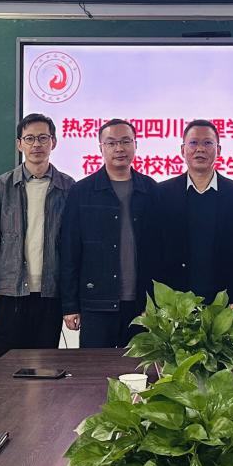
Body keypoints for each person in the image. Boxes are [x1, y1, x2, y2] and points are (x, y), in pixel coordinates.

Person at [0, 113, 75, 363]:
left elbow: (75, 248)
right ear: (19, 144)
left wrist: (73, 300)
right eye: (29, 139)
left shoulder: (69, 188)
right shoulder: (1, 187)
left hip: (50, 295)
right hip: (8, 293)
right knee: (2, 370)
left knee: (44, 370)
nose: (36, 145)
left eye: (43, 138)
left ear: (53, 142)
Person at [59, 119, 160, 348]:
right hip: (96, 303)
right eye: (112, 143)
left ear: (135, 145)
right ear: (101, 148)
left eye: (126, 141)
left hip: (142, 305)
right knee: (94, 368)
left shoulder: (151, 189)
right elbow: (69, 250)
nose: (119, 148)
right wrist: (70, 305)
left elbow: (161, 250)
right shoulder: (81, 191)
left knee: (140, 368)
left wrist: (157, 302)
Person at [154, 119, 233, 307]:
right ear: (182, 150)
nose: (200, 149)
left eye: (208, 143)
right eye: (193, 143)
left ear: (218, 150)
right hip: (174, 307)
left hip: (225, 307)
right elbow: (151, 252)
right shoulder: (161, 194)